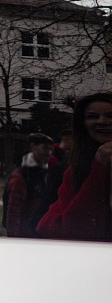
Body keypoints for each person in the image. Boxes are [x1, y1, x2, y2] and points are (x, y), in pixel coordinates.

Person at [35, 92, 112, 242]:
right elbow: (53, 227)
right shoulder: (74, 169)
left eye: (111, 115)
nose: (102, 121)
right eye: (92, 116)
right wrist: (99, 170)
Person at [2, 133, 54, 238]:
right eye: (45, 148)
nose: (48, 153)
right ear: (33, 147)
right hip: (25, 234)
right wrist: (14, 237)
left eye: (50, 149)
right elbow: (13, 211)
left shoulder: (47, 172)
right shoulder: (21, 176)